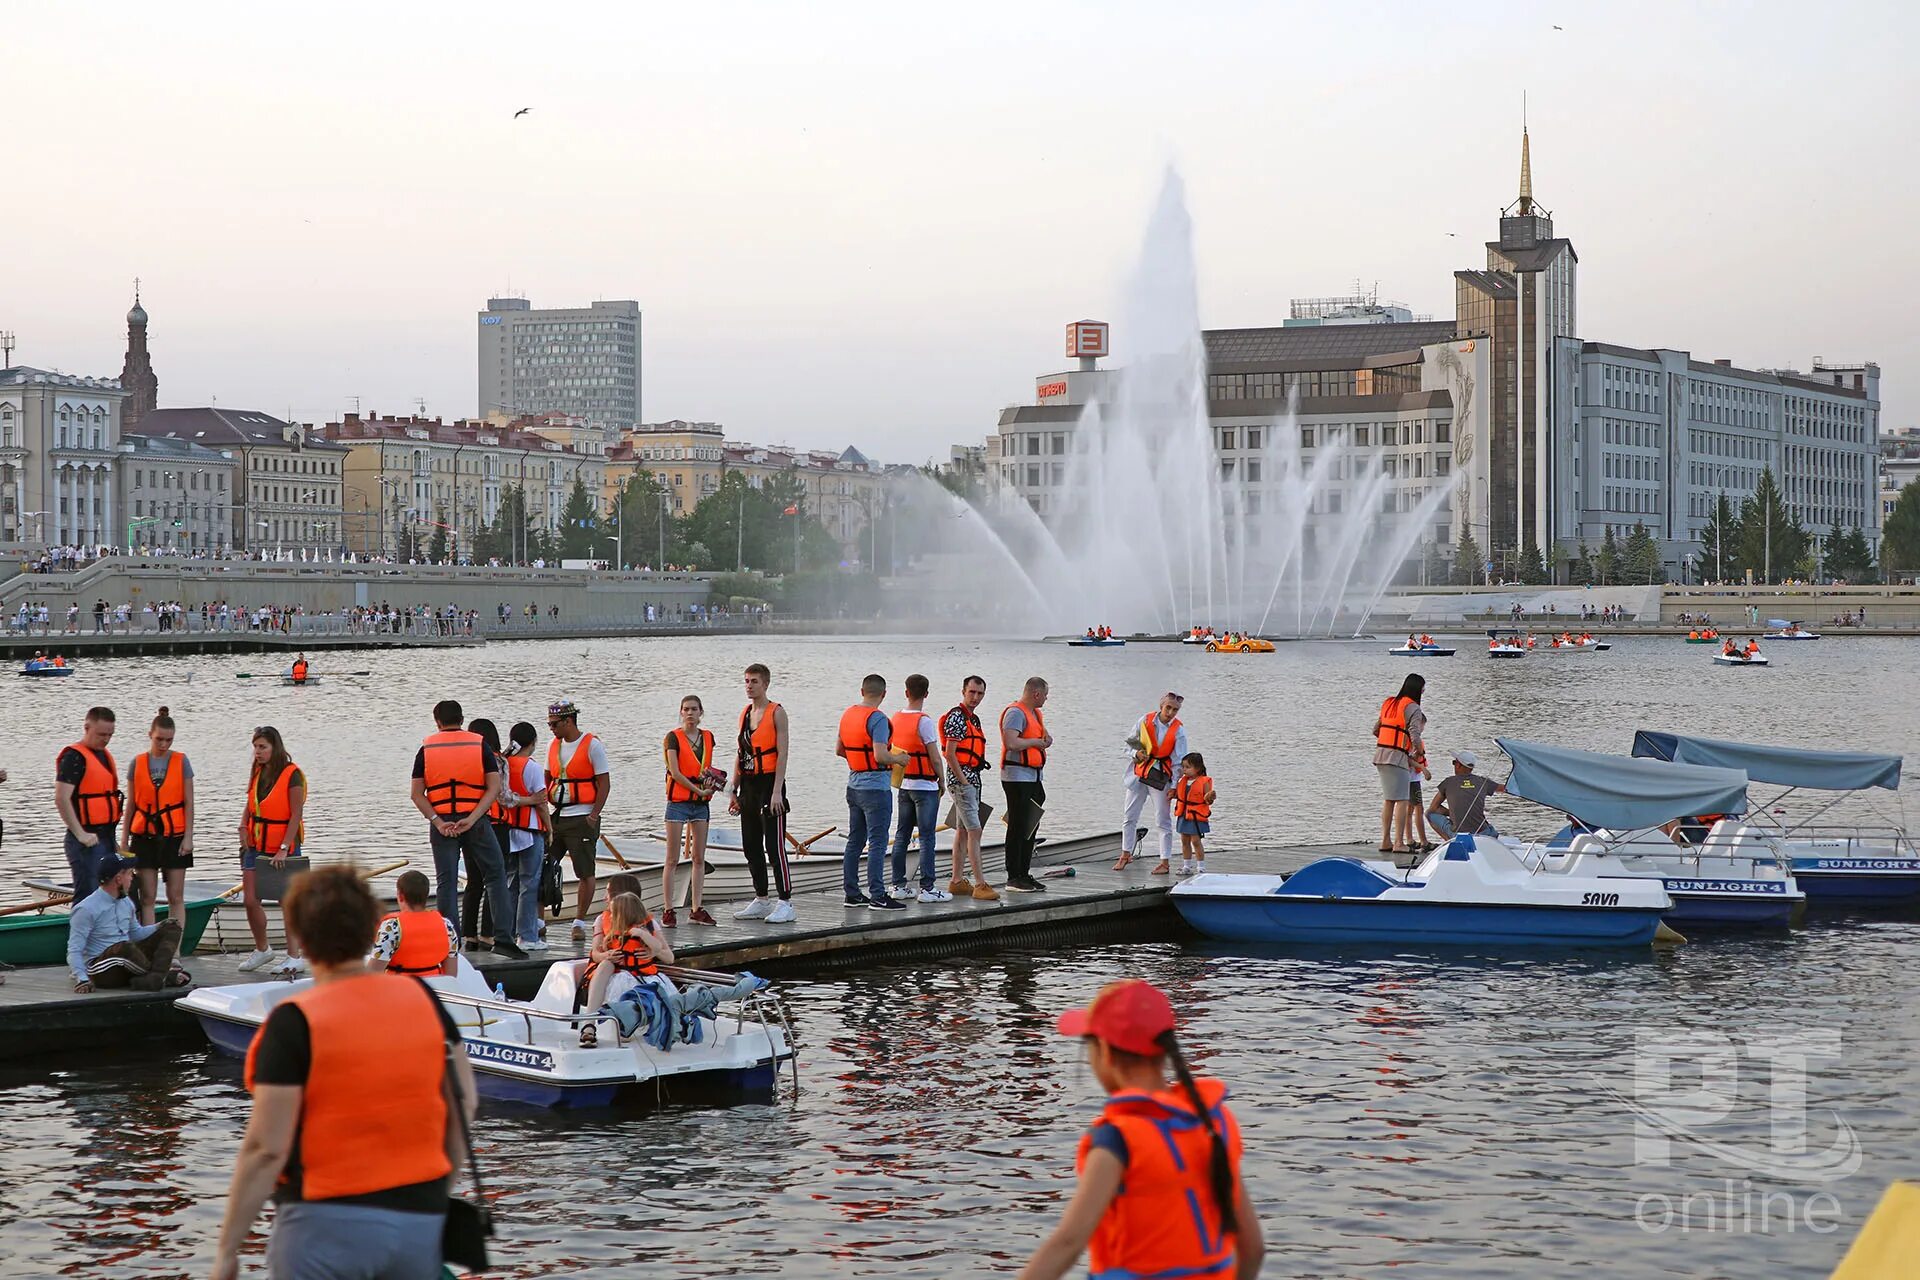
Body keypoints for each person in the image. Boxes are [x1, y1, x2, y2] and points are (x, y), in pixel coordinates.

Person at [212, 867, 474, 1280]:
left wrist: (228, 1249)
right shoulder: (428, 1005)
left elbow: (266, 1148)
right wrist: (437, 1193)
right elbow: (462, 1106)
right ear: (370, 927)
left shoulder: (293, 1023)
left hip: (324, 1227)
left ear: (301, 934)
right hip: (418, 1222)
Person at [1019, 979, 1263, 1280]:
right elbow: (1252, 1249)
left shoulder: (1117, 1140)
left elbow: (1068, 1243)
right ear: (1164, 1052)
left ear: (1105, 1052)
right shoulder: (1215, 1122)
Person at [410, 700, 521, 959]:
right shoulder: (478, 744)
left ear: (437, 721)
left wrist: (438, 821)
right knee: (495, 875)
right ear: (462, 719)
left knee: (446, 882)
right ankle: (503, 940)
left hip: (443, 824)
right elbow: (493, 788)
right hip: (476, 821)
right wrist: (472, 818)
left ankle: (450, 945)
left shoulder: (426, 749)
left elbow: (417, 794)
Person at [728, 664, 796, 923]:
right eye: (746, 681)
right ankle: (761, 898)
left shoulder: (776, 713)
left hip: (770, 785)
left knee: (774, 846)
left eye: (754, 681)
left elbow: (783, 753)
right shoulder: (745, 713)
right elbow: (741, 753)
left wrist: (777, 791)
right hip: (748, 785)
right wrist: (732, 790)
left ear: (765, 684)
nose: (749, 685)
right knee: (751, 845)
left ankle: (786, 902)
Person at [238, 726, 309, 976]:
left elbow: (296, 813)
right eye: (255, 747)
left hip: (283, 845)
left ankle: (294, 956)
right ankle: (263, 949)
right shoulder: (257, 770)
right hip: (255, 843)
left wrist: (282, 849)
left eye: (262, 747)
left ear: (274, 747)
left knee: (286, 902)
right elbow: (251, 802)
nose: (257, 752)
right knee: (250, 900)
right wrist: (242, 825)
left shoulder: (293, 775)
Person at [65, 853, 187, 992]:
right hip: (100, 970)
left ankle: (154, 978)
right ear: (118, 879)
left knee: (172, 927)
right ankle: (163, 977)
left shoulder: (126, 902)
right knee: (124, 948)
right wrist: (82, 979)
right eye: (129, 874)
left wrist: (160, 926)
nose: (132, 878)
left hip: (128, 963)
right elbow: (74, 950)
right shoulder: (86, 909)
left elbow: (136, 933)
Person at [839, 673, 909, 910]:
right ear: (884, 694)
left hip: (853, 785)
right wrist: (899, 759)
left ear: (862, 691)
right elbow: (880, 755)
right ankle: (878, 895)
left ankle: (852, 894)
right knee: (878, 843)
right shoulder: (878, 719)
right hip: (876, 788)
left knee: (854, 841)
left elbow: (840, 749)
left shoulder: (848, 714)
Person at [121, 706, 195, 928]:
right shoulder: (138, 762)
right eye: (159, 739)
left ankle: (174, 953)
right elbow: (131, 804)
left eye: (169, 740)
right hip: (145, 837)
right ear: (150, 735)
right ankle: (149, 945)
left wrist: (188, 837)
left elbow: (189, 802)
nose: (164, 745)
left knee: (176, 896)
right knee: (147, 897)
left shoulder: (182, 762)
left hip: (175, 835)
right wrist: (124, 841)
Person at [545, 698, 610, 943]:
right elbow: (546, 777)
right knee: (544, 866)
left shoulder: (592, 746)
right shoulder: (553, 746)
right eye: (549, 723)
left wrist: (594, 815)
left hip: (582, 818)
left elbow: (604, 783)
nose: (551, 728)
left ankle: (579, 922)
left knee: (585, 871)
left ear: (568, 721)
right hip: (557, 817)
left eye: (554, 723)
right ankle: (540, 921)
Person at [578, 890, 674, 1047]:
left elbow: (666, 955)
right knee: (606, 967)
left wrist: (649, 946)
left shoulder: (645, 928)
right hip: (618, 972)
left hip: (642, 976)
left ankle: (636, 1027)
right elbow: (596, 952)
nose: (605, 901)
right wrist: (606, 954)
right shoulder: (606, 924)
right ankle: (590, 1026)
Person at [489, 720, 551, 952]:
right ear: (533, 742)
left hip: (507, 831)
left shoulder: (502, 763)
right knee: (530, 884)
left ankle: (510, 932)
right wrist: (550, 829)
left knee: (511, 884)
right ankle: (528, 937)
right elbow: (542, 803)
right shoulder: (531, 767)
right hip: (530, 831)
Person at [888, 673, 951, 903]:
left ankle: (898, 886)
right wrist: (942, 781)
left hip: (904, 785)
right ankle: (927, 889)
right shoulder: (924, 721)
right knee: (927, 838)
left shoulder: (895, 718)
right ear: (926, 694)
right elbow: (935, 758)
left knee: (902, 835)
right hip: (925, 787)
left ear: (906, 692)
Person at [662, 695, 720, 927]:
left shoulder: (707, 737)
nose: (690, 713)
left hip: (701, 803)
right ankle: (668, 909)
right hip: (678, 802)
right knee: (672, 859)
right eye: (686, 709)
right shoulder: (672, 738)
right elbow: (675, 772)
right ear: (681, 712)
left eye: (694, 709)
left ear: (700, 712)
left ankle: (696, 908)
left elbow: (706, 768)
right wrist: (697, 789)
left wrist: (712, 786)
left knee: (698, 858)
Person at [939, 675, 997, 901]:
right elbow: (950, 754)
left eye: (980, 694)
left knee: (963, 831)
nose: (975, 698)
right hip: (962, 783)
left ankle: (956, 881)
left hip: (972, 781)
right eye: (972, 692)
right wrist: (963, 781)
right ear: (963, 691)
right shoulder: (956, 717)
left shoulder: (974, 719)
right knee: (975, 830)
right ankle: (980, 884)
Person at [1115, 692, 1186, 876]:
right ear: (1161, 705)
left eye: (1175, 710)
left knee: (1162, 819)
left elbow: (1178, 761)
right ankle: (1125, 854)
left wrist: (1174, 787)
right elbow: (1128, 746)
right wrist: (1136, 754)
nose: (1170, 712)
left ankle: (1164, 862)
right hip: (1139, 772)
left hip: (1160, 776)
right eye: (1168, 707)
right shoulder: (1144, 721)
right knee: (1129, 815)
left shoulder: (1178, 730)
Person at [56, 706, 124, 898]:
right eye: (101, 734)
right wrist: (80, 833)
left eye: (110, 735)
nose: (105, 739)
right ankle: (80, 929)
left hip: (106, 837)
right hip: (84, 842)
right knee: (88, 896)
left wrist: (114, 841)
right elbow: (61, 798)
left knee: (112, 894)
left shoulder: (103, 755)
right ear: (87, 728)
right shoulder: (74, 757)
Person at [1000, 676, 1053, 893]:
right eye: (1045, 695)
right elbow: (1011, 742)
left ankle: (1024, 873)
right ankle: (1014, 877)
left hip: (1034, 777)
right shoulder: (1015, 712)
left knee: (1031, 825)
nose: (1046, 699)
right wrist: (1035, 743)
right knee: (1018, 825)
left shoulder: (1036, 714)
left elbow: (1043, 737)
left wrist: (1046, 741)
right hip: (1016, 777)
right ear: (1036, 694)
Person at [1372, 673, 1426, 856]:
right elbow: (1415, 735)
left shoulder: (1389, 703)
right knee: (1402, 800)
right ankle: (1399, 843)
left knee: (1388, 800)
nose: (1424, 691)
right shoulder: (1414, 708)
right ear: (1417, 689)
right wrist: (1420, 751)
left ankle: (1385, 840)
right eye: (1423, 688)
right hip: (1397, 758)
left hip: (1380, 755)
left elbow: (1376, 730)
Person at [373, 870, 459, 976]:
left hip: (400, 988)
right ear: (426, 896)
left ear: (400, 896)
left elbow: (372, 974)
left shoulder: (391, 928)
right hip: (434, 989)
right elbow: (451, 975)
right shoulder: (447, 926)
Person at [1426, 749, 1506, 839]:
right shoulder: (1482, 782)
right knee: (1489, 828)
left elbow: (1433, 808)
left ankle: (1451, 842)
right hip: (1482, 832)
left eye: (1454, 763)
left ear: (1458, 765)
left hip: (1458, 833)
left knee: (1428, 814)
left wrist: (1451, 813)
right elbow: (1504, 788)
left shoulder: (1448, 782)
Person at [1172, 752, 1214, 876]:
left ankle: (1201, 867)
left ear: (1198, 768)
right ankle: (1187, 866)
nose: (1184, 770)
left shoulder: (1204, 781)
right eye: (1183, 767)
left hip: (1196, 816)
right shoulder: (1182, 781)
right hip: (1183, 815)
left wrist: (1210, 797)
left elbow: (1208, 800)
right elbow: (1180, 796)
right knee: (1184, 840)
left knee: (1196, 841)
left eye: (1188, 767)